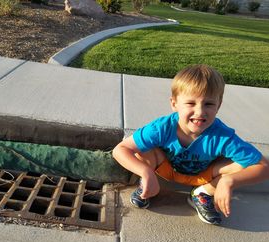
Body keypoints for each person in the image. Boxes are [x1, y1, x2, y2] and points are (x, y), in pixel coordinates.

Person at [112, 64, 269, 225]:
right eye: (191, 103)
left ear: (219, 105)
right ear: (174, 104)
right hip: (165, 169)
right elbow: (120, 150)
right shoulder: (162, 128)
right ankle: (148, 186)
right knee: (141, 146)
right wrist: (145, 172)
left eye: (208, 104)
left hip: (204, 176)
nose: (200, 112)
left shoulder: (222, 136)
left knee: (243, 165)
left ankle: (202, 194)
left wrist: (229, 181)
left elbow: (264, 166)